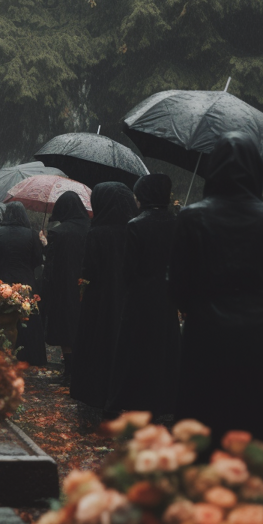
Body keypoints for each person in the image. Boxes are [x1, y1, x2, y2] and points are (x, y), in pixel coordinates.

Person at [170, 132, 263, 449]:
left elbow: (178, 288)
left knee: (204, 419)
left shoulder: (192, 217)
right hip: (255, 334)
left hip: (205, 333)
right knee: (253, 421)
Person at [108, 174, 180, 418]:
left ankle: (134, 397)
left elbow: (129, 268)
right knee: (163, 347)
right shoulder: (176, 223)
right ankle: (164, 399)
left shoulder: (136, 224)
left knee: (135, 347)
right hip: (167, 294)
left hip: (140, 296)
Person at [69, 182, 137, 411]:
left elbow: (89, 269)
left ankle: (95, 393)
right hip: (127, 296)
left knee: (98, 343)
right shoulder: (133, 229)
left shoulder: (97, 232)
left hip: (99, 298)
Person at [0, 200, 47, 365]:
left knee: (3, 320)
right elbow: (37, 260)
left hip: (2, 283)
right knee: (28, 319)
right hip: (26, 282)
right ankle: (31, 357)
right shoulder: (32, 235)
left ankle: (2, 354)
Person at [41, 191, 91, 381]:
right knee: (82, 324)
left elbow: (52, 263)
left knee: (65, 325)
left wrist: (45, 244)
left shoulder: (58, 232)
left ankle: (69, 370)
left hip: (64, 285)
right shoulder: (91, 228)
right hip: (86, 284)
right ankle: (82, 367)